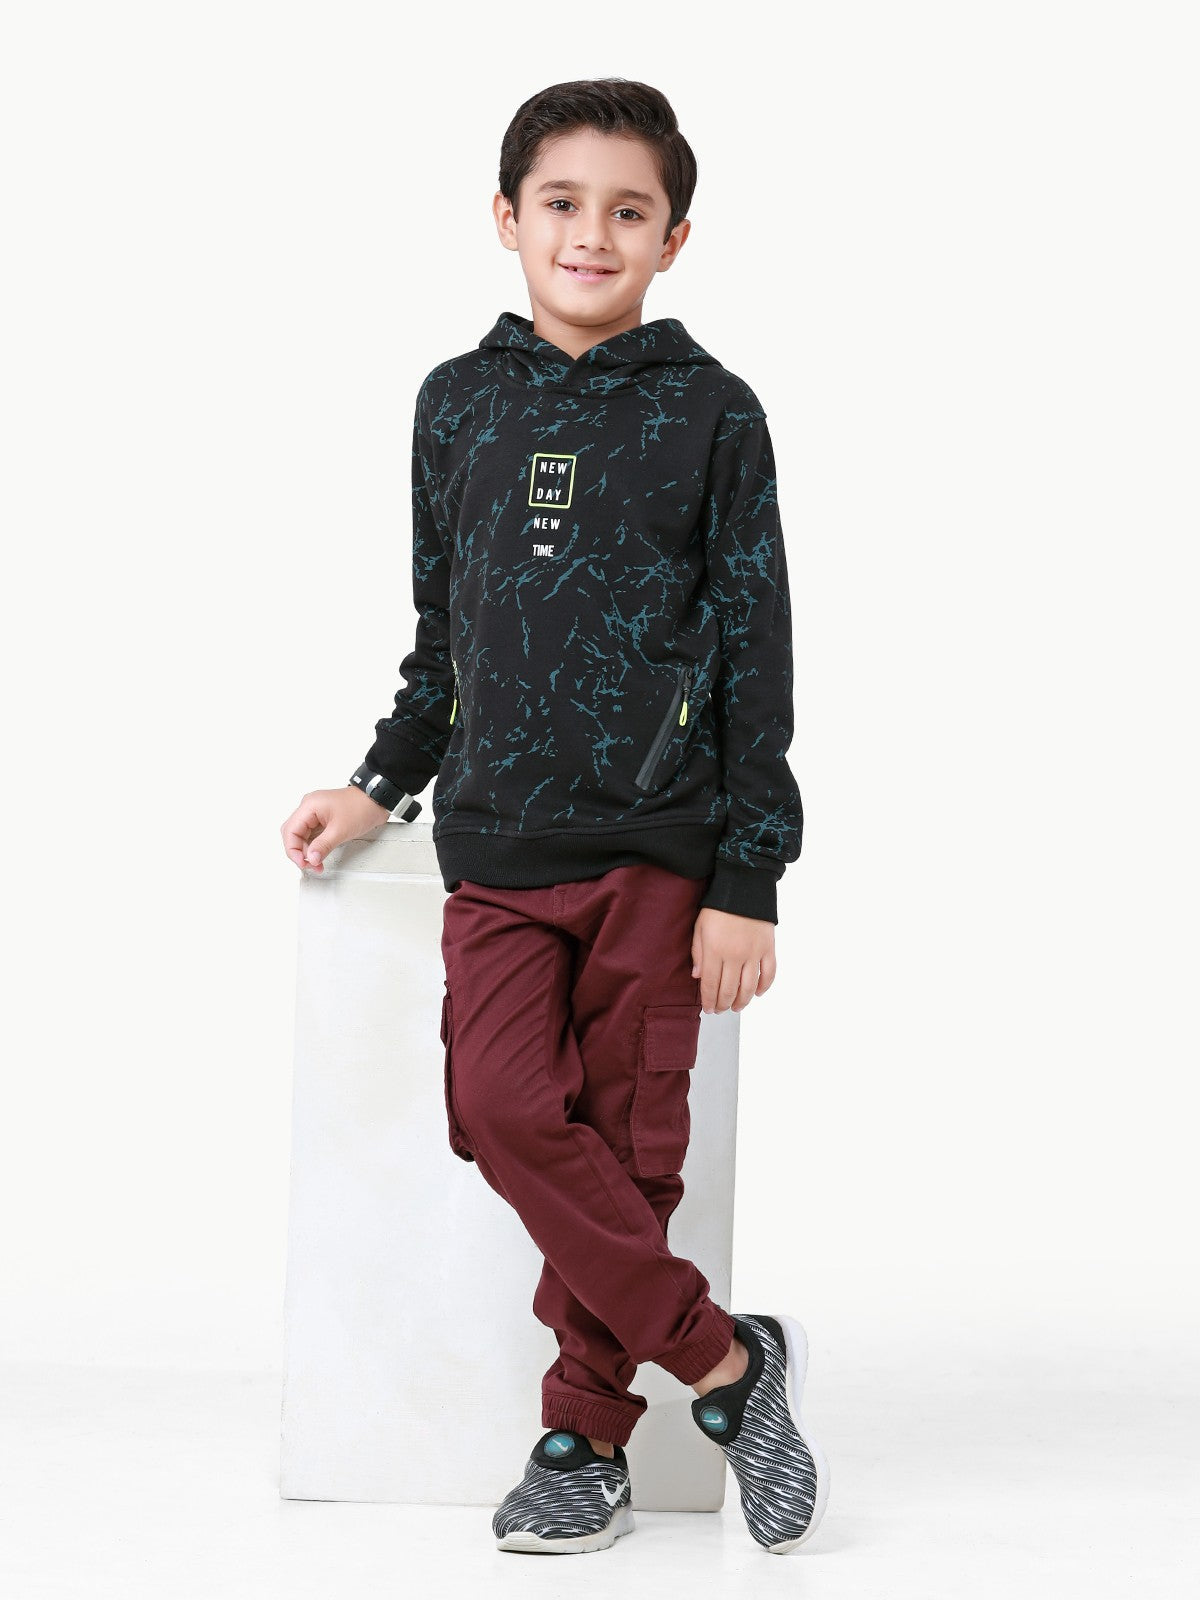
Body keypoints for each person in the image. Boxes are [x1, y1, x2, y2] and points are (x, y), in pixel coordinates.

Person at [280, 76, 829, 1557]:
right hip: (500, 842)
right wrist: (378, 782)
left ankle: (580, 1441)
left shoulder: (714, 414)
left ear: (674, 238)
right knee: (507, 1110)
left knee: (631, 1152)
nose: (593, 233)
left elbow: (757, 651)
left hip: (660, 851)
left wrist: (750, 877)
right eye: (564, 203)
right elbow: (443, 640)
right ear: (507, 218)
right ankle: (726, 1363)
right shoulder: (456, 402)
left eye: (628, 211)